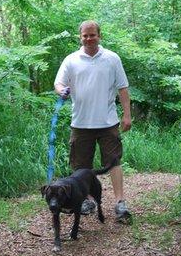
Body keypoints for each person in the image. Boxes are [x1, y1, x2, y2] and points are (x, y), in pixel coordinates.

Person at [54, 20, 132, 223]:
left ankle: (120, 203)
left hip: (108, 122)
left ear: (99, 36)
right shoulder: (71, 60)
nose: (89, 39)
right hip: (80, 123)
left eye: (92, 35)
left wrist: (127, 115)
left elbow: (123, 88)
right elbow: (59, 82)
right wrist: (61, 90)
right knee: (81, 167)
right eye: (85, 36)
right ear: (80, 37)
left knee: (114, 162)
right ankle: (87, 200)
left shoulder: (112, 59)